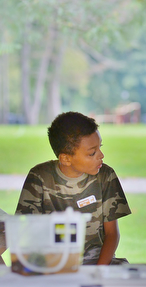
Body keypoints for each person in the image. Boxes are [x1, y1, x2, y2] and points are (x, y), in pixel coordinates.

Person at [16, 111, 131, 265]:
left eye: (100, 147)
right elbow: (25, 231)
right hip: (53, 264)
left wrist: (98, 272)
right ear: (65, 158)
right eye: (92, 153)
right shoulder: (39, 177)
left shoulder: (105, 175)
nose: (101, 155)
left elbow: (112, 234)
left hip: (98, 261)